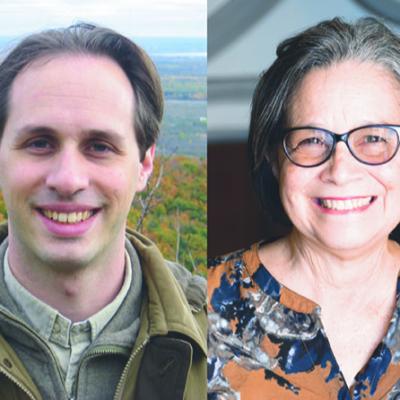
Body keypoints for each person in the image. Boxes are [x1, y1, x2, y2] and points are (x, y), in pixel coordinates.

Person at [0, 23, 206, 399]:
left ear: (145, 165)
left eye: (99, 146)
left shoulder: (224, 338)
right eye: (40, 142)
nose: (68, 179)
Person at [208, 17, 400, 399]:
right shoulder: (200, 311)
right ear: (274, 157)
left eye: (375, 138)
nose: (341, 171)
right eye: (312, 140)